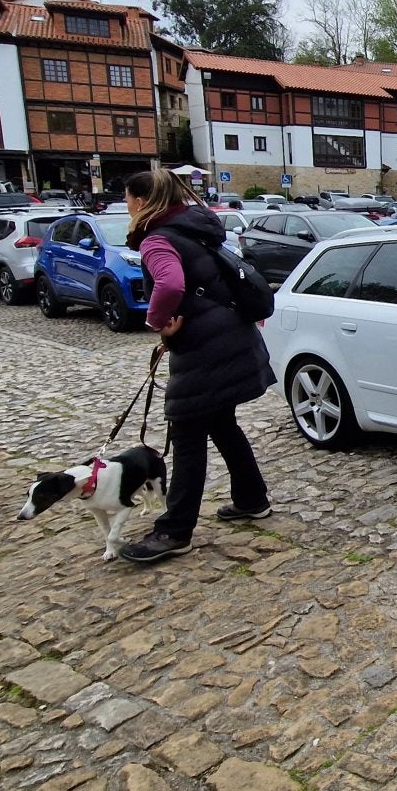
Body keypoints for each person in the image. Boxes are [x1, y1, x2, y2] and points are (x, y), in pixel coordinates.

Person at [116, 168, 273, 563]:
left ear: (139, 201)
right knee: (222, 424)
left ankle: (174, 531)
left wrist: (157, 322)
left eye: (127, 199)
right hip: (232, 339)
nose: (126, 206)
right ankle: (252, 500)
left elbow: (169, 285)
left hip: (205, 350)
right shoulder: (195, 229)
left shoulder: (157, 239)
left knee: (186, 438)